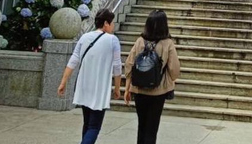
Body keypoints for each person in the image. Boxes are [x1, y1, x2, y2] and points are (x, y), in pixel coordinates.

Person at [57, 9, 121, 144]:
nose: (113, 25)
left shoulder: (85, 37)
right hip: (100, 88)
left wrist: (63, 81)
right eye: (112, 22)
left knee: (87, 123)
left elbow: (73, 60)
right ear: (105, 23)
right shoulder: (112, 40)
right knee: (94, 126)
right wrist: (117, 87)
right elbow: (117, 67)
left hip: (84, 86)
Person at [124, 10, 181, 144]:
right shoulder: (168, 43)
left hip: (139, 90)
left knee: (141, 126)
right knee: (152, 129)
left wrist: (127, 89)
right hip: (158, 92)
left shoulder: (140, 41)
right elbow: (174, 70)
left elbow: (129, 64)